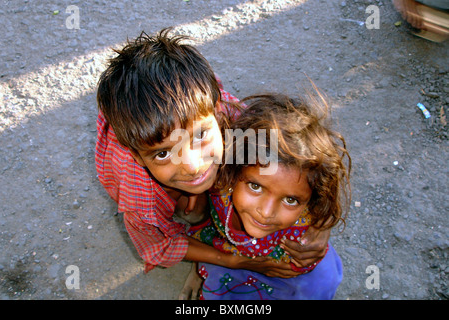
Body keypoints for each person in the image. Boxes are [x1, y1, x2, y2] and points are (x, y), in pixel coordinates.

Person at [95, 28, 330, 291]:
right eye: (163, 153)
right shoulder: (141, 201)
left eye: (200, 135)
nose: (193, 166)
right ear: (138, 156)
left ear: (218, 113)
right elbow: (159, 247)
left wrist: (321, 228)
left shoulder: (234, 121)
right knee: (191, 207)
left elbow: (311, 159)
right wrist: (232, 260)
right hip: (149, 182)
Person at [188, 92, 351, 299]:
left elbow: (327, 203)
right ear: (233, 169)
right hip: (229, 257)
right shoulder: (219, 183)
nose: (266, 212)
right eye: (255, 186)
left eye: (290, 200)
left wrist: (322, 225)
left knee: (319, 282)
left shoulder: (304, 239)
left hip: (284, 273)